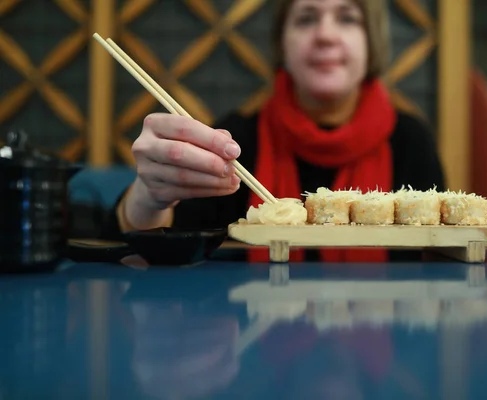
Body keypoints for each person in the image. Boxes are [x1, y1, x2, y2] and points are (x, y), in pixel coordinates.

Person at [102, 0, 446, 262]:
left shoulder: (410, 142)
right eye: (306, 18)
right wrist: (149, 196)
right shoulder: (232, 143)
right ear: (282, 43)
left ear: (372, 42)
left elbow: (438, 273)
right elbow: (158, 249)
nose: (325, 35)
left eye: (347, 18)